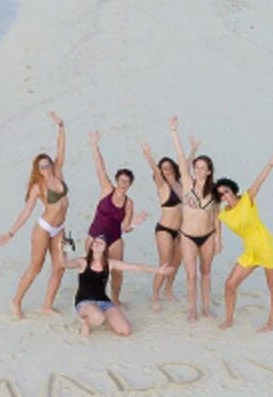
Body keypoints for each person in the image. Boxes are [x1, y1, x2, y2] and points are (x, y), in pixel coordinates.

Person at [0, 111, 72, 318]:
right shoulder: (38, 187)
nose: (46, 168)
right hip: (44, 228)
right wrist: (10, 233)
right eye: (42, 167)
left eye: (48, 164)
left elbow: (61, 148)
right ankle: (16, 301)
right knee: (36, 266)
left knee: (60, 267)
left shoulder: (59, 173)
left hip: (60, 229)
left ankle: (47, 305)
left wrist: (61, 125)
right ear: (37, 170)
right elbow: (27, 211)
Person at [215, 152, 273, 332]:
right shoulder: (223, 213)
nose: (225, 195)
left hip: (265, 246)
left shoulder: (247, 199)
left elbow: (259, 181)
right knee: (230, 284)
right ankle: (229, 319)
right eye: (221, 194)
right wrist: (218, 239)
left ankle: (272, 322)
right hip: (250, 251)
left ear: (233, 190)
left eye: (226, 191)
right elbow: (216, 222)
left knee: (272, 284)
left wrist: (270, 163)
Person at [169, 118, 222, 321]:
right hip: (188, 236)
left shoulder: (214, 191)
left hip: (207, 236)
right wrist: (174, 131)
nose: (199, 170)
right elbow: (181, 157)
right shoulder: (188, 184)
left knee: (206, 272)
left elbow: (217, 217)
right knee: (191, 276)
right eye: (197, 167)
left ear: (209, 171)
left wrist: (218, 239)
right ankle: (192, 310)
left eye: (203, 168)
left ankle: (206, 308)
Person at [59, 235, 161, 338]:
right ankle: (86, 322)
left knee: (126, 331)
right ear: (91, 245)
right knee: (99, 317)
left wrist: (158, 270)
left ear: (105, 248)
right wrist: (62, 250)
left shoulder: (110, 263)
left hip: (104, 302)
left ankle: (103, 318)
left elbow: (134, 267)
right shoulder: (83, 262)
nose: (97, 244)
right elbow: (64, 264)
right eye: (95, 242)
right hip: (85, 301)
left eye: (101, 243)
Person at [86, 132, 142, 302]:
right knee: (92, 268)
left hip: (115, 238)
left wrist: (134, 224)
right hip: (95, 235)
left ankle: (115, 299)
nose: (124, 184)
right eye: (122, 180)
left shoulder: (129, 203)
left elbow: (125, 227)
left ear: (130, 184)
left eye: (127, 182)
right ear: (117, 180)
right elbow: (99, 167)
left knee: (117, 271)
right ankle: (92, 297)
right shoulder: (107, 190)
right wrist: (95, 145)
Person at [137, 138, 188, 307]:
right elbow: (155, 170)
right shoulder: (162, 186)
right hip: (165, 229)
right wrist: (148, 155)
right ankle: (155, 296)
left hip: (180, 230)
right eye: (163, 168)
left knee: (177, 262)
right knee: (164, 263)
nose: (166, 170)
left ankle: (169, 289)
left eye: (168, 167)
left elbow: (185, 167)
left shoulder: (181, 184)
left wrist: (193, 149)